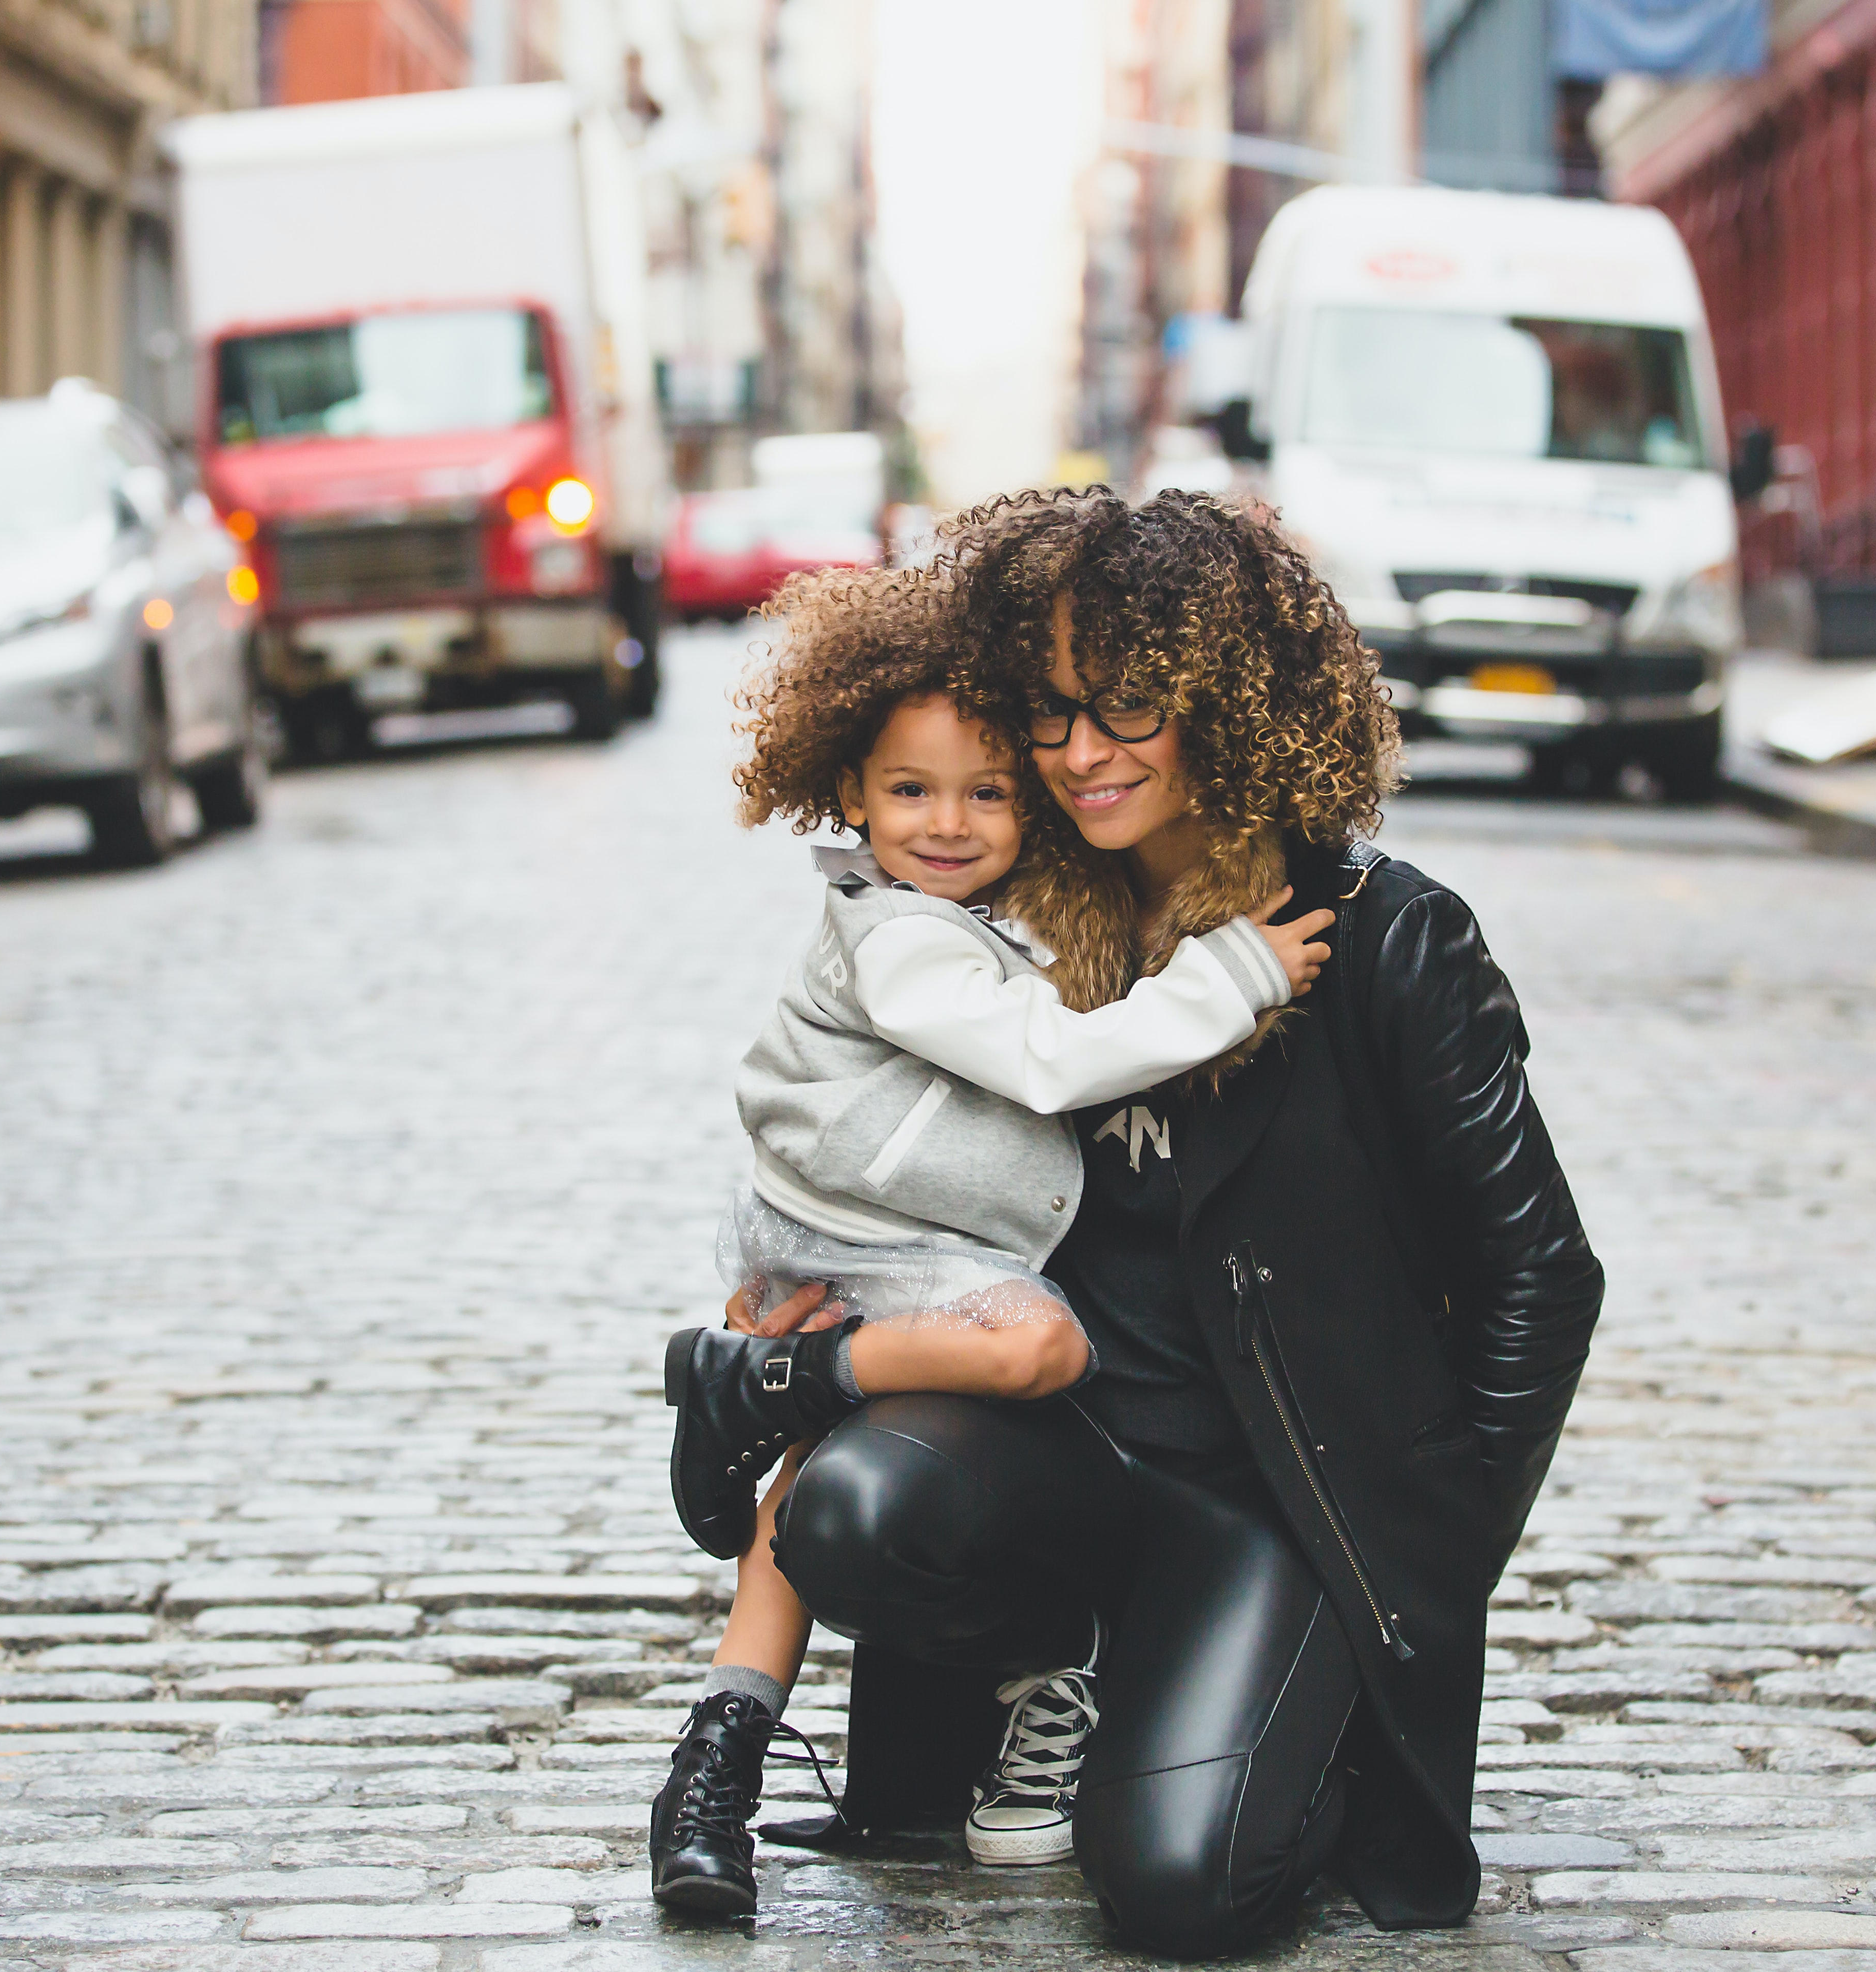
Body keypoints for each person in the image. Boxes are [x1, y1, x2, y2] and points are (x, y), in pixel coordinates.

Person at [761, 488, 1606, 1959]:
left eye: (1131, 708)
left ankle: (1271, 1707)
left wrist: (1419, 1565)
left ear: (1231, 701)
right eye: (1053, 712)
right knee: (853, 1515)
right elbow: (859, 1142)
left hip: (1273, 1500)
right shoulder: (1015, 920)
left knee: (1179, 1890)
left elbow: (1542, 1275)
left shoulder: (1387, 941)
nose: (1082, 753)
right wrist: (793, 1314)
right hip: (1066, 1455)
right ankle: (1065, 1677)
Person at [649, 560, 1336, 1917]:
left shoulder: (970, 916)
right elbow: (1044, 1061)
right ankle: (777, 1391)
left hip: (861, 1232)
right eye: (912, 792)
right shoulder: (900, 939)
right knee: (1037, 1342)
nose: (950, 823)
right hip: (880, 1236)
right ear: (849, 794)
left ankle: (714, 1751)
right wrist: (1240, 973)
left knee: (806, 1468)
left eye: (988, 792)